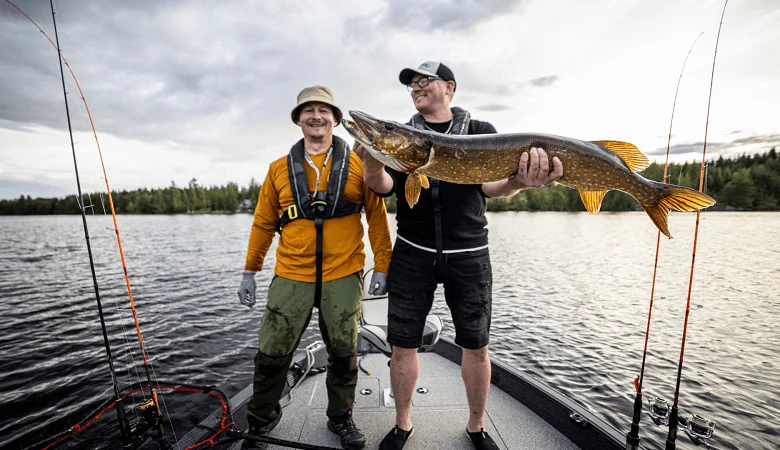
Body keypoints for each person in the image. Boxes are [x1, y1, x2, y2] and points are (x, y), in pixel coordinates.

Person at [356, 62, 564, 450]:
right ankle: (403, 424)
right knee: (402, 344)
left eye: (424, 81)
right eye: (411, 84)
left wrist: (520, 180)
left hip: (468, 253)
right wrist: (371, 157)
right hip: (413, 253)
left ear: (449, 88)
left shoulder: (481, 133)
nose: (416, 88)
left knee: (476, 345)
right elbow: (382, 184)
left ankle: (476, 426)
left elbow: (494, 186)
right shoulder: (404, 137)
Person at [238, 85, 393, 450]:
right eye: (308, 110)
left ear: (336, 120)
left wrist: (383, 265)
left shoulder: (361, 163)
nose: (316, 116)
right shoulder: (278, 169)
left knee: (343, 351)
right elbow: (262, 222)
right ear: (299, 121)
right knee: (271, 353)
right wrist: (250, 270)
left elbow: (377, 218)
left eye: (324, 110)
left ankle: (340, 418)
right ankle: (260, 423)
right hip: (291, 274)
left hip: (344, 272)